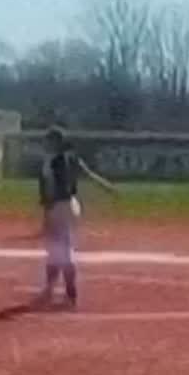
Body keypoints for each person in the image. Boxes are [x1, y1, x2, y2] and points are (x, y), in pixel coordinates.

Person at [36, 127, 117, 309]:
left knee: (59, 250)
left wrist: (47, 214)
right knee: (58, 249)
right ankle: (55, 288)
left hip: (59, 206)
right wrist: (108, 187)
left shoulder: (52, 161)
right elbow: (89, 175)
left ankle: (67, 292)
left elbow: (51, 190)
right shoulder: (71, 159)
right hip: (71, 205)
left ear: (55, 142)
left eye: (48, 141)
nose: (45, 144)